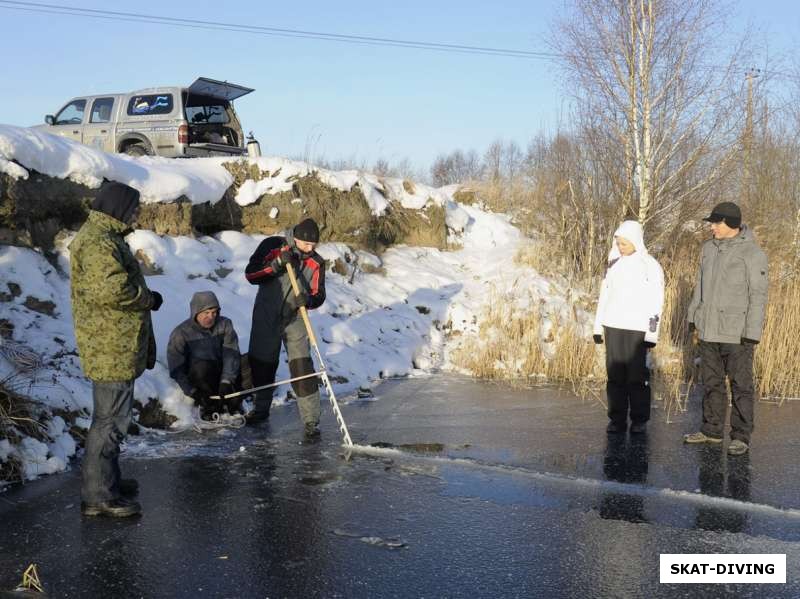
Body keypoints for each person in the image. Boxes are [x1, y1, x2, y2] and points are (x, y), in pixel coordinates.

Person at [69, 181, 163, 518]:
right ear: (118, 208)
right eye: (133, 208)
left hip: (115, 344)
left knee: (110, 419)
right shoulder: (97, 242)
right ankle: (99, 495)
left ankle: (108, 481)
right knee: (109, 422)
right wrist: (148, 299)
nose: (136, 213)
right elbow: (113, 290)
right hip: (110, 347)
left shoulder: (106, 237)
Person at [684, 202, 768, 456]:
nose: (711, 227)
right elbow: (699, 286)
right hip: (708, 329)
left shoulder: (753, 254)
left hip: (737, 332)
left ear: (730, 224)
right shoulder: (708, 249)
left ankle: (740, 436)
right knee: (711, 382)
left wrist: (752, 332)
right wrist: (693, 315)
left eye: (716, 223)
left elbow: (758, 294)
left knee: (741, 385)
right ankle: (711, 430)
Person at [245, 218, 326, 438]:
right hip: (266, 313)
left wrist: (307, 301)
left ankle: (311, 420)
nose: (311, 249)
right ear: (296, 238)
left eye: (314, 246)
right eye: (307, 245)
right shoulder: (272, 245)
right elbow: (251, 274)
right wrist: (276, 264)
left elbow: (319, 295)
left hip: (295, 316)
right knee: (262, 362)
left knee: (301, 367)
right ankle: (260, 409)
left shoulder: (316, 262)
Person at [593, 220, 664, 434]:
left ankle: (639, 419)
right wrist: (598, 327)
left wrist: (652, 333)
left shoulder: (649, 265)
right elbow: (604, 297)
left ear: (635, 241)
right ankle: (617, 419)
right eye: (619, 243)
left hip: (637, 329)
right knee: (615, 375)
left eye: (624, 243)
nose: (620, 247)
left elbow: (656, 300)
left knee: (636, 376)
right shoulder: (614, 264)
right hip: (613, 325)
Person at [167, 291, 243, 418]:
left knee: (251, 361)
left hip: (222, 374)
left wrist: (226, 381)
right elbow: (176, 368)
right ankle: (209, 407)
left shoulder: (225, 324)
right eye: (206, 313)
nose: (211, 317)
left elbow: (231, 353)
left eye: (214, 312)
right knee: (201, 367)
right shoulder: (180, 333)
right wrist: (192, 392)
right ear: (196, 313)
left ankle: (233, 402)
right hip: (200, 378)